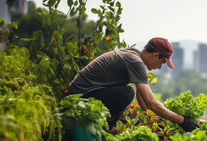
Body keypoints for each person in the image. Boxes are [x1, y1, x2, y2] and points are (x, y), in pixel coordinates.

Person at [68, 37, 200, 132]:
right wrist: (182, 120)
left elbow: (142, 99)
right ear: (155, 56)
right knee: (126, 93)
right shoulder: (135, 62)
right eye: (162, 62)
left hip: (83, 93)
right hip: (79, 96)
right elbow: (151, 102)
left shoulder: (134, 55)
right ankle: (105, 128)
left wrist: (154, 119)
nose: (160, 67)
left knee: (129, 92)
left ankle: (107, 126)